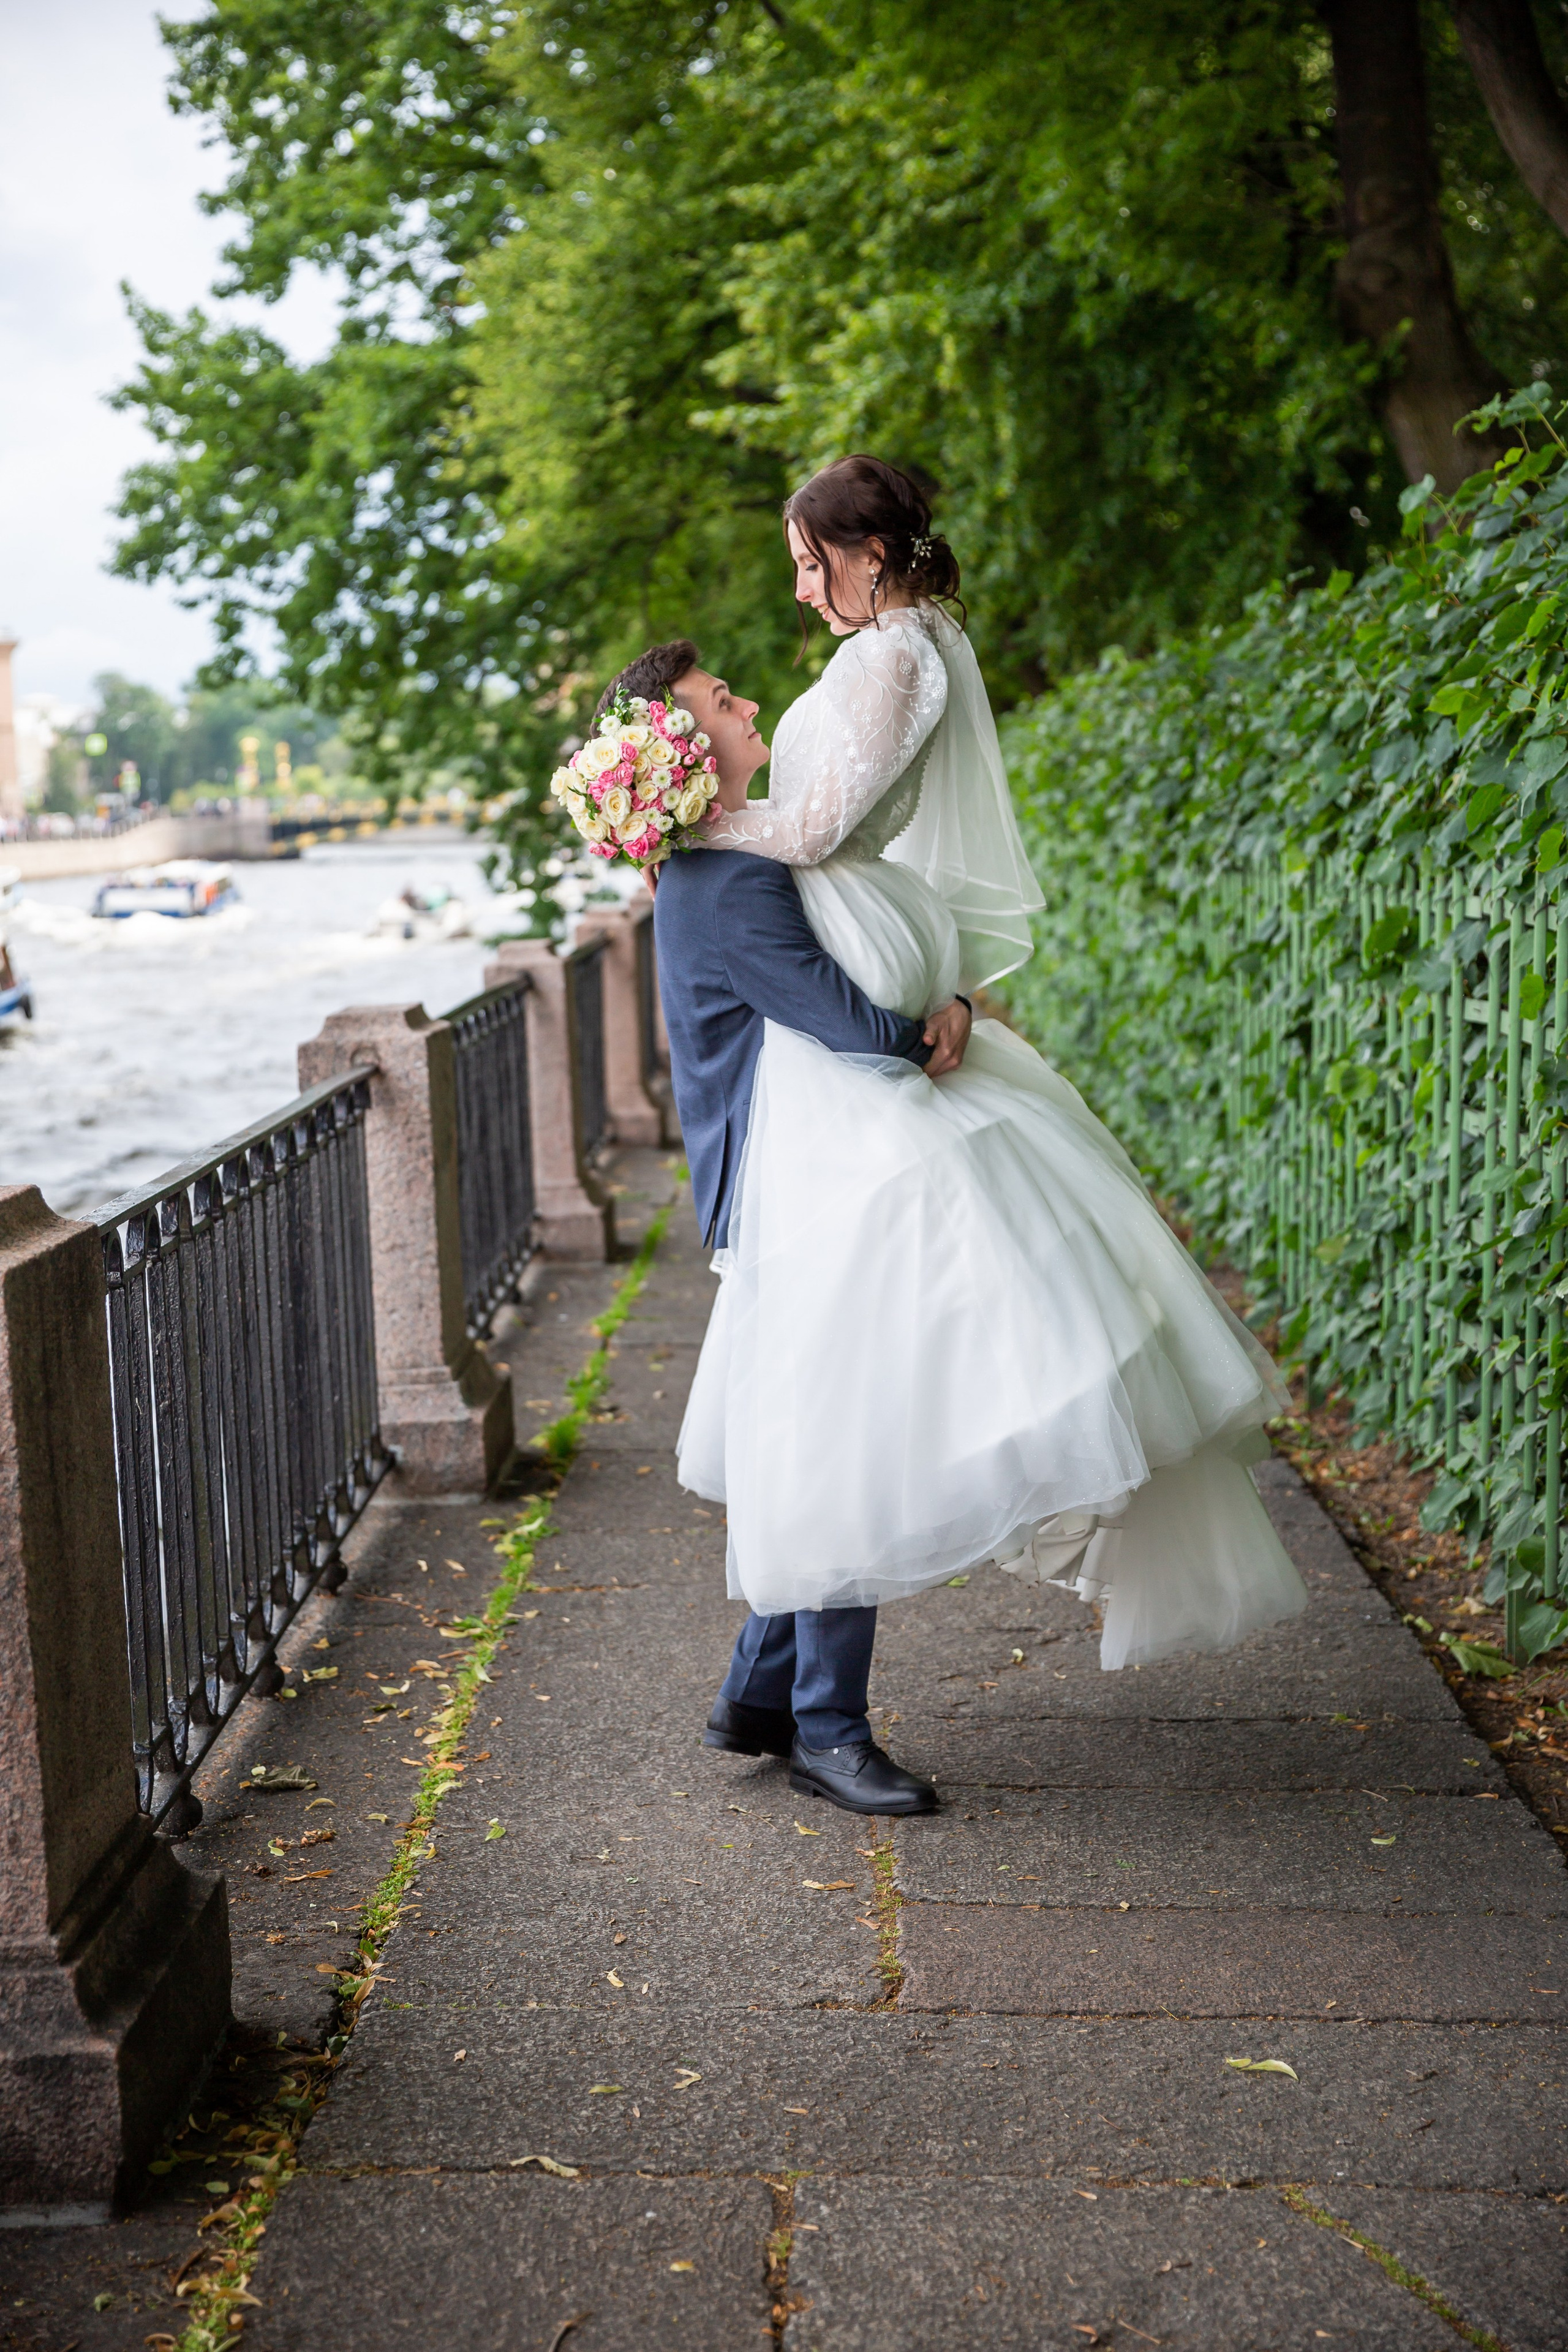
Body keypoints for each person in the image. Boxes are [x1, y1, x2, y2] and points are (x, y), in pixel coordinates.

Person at [617, 458, 1306, 1816]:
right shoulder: (867, 674)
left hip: (842, 1065)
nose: (798, 589)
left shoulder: (885, 664)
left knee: (856, 1383)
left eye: (812, 559)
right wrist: (674, 823)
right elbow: (803, 881)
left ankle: (785, 1699)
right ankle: (799, 1709)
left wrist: (675, 814)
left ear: (870, 551)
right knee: (851, 1388)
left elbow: (811, 826)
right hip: (829, 1078)